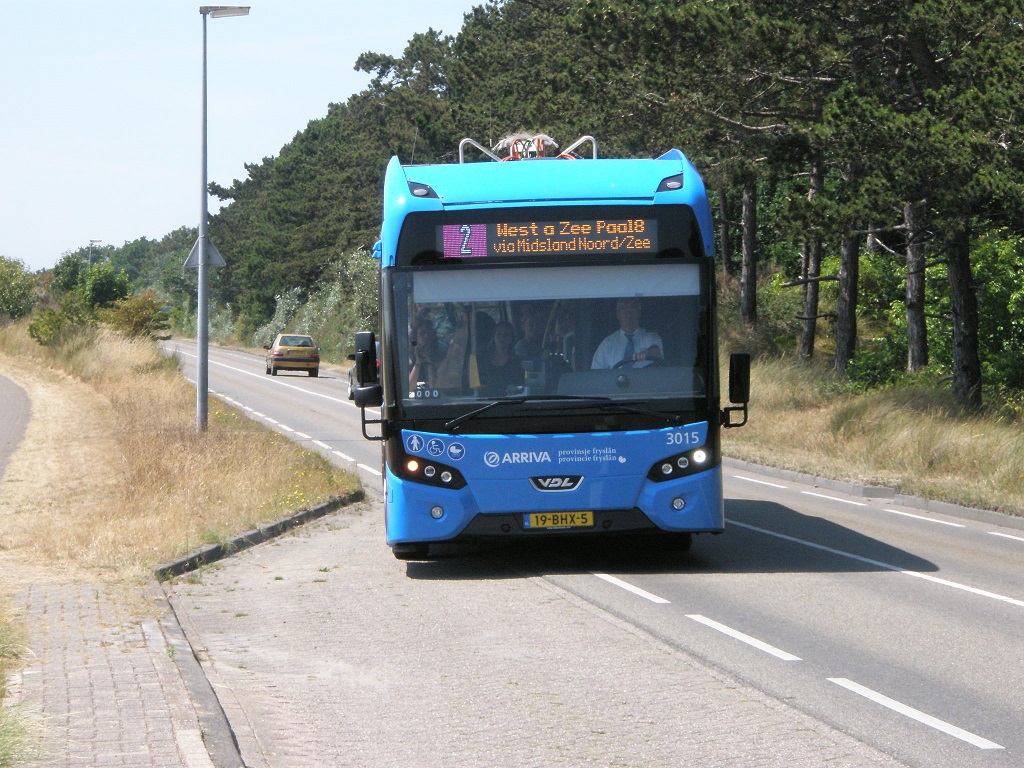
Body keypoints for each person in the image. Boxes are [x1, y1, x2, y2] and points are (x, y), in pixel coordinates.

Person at [591, 298, 663, 369]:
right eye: (624, 311)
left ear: (639, 313)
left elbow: (656, 350)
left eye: (632, 310)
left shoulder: (650, 337)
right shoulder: (608, 344)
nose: (628, 315)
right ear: (618, 315)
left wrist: (646, 354)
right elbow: (596, 375)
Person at [478, 321, 522, 396]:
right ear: (493, 337)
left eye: (506, 335)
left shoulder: (517, 362)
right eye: (499, 334)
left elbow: (520, 387)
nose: (502, 338)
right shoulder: (482, 360)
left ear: (511, 339)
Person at [408, 316, 445, 389]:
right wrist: (418, 362)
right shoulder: (409, 358)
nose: (426, 336)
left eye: (429, 333)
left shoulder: (440, 356)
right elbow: (409, 388)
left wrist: (429, 361)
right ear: (415, 337)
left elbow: (434, 387)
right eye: (422, 333)